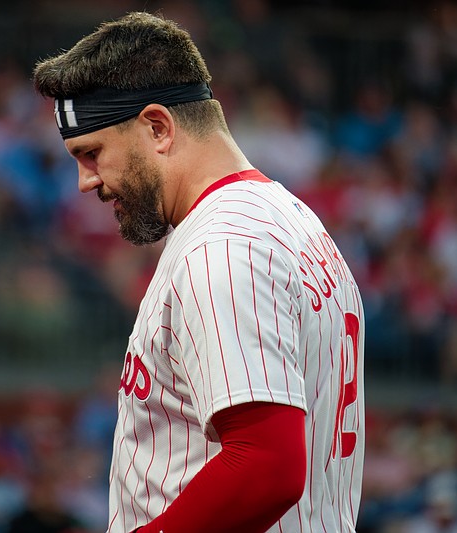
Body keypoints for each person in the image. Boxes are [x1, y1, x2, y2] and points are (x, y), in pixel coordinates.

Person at [33, 11, 365, 533]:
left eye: (92, 153)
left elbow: (267, 466)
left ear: (158, 128)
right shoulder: (289, 217)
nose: (84, 181)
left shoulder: (224, 244)